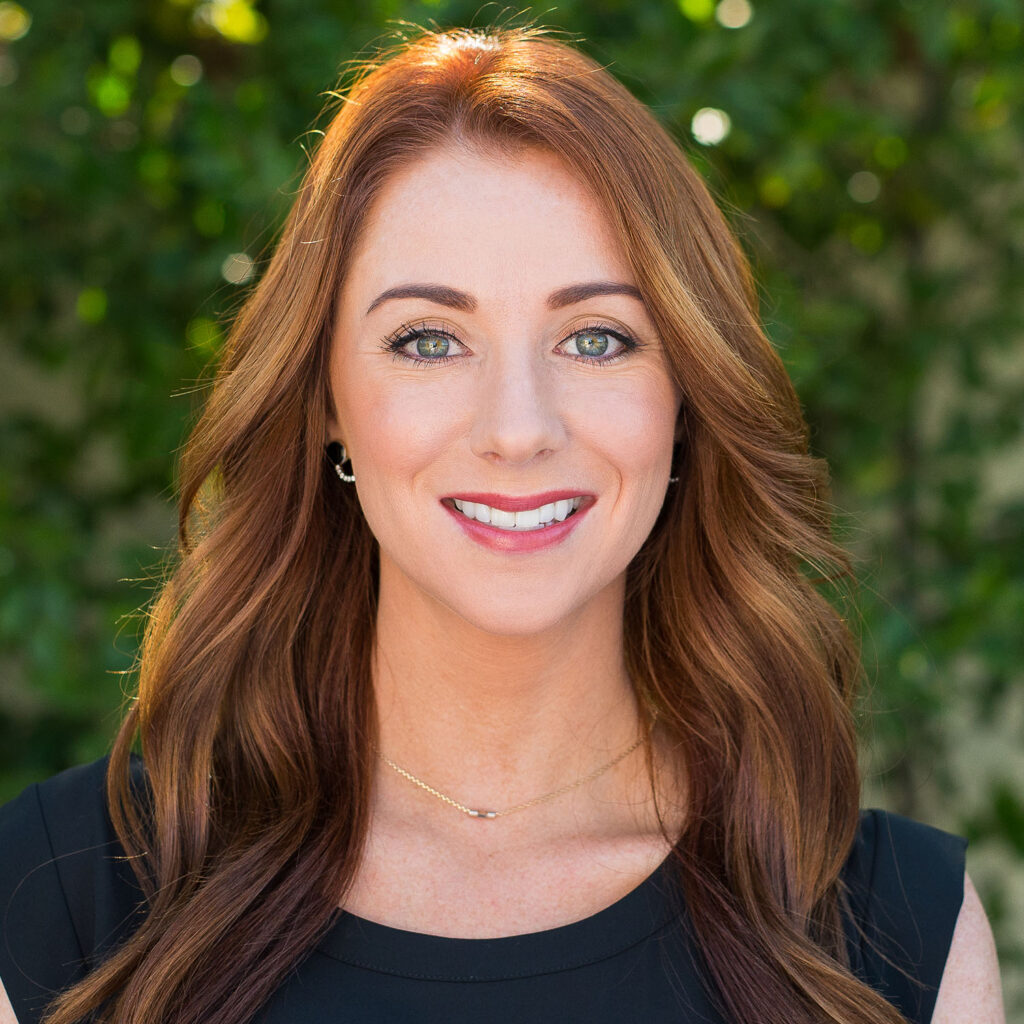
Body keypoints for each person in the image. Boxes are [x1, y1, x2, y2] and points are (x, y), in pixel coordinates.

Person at [0, 24, 1005, 1024]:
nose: (518, 428)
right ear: (326, 403)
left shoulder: (889, 934)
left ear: (687, 398)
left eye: (598, 337)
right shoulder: (67, 901)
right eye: (429, 339)